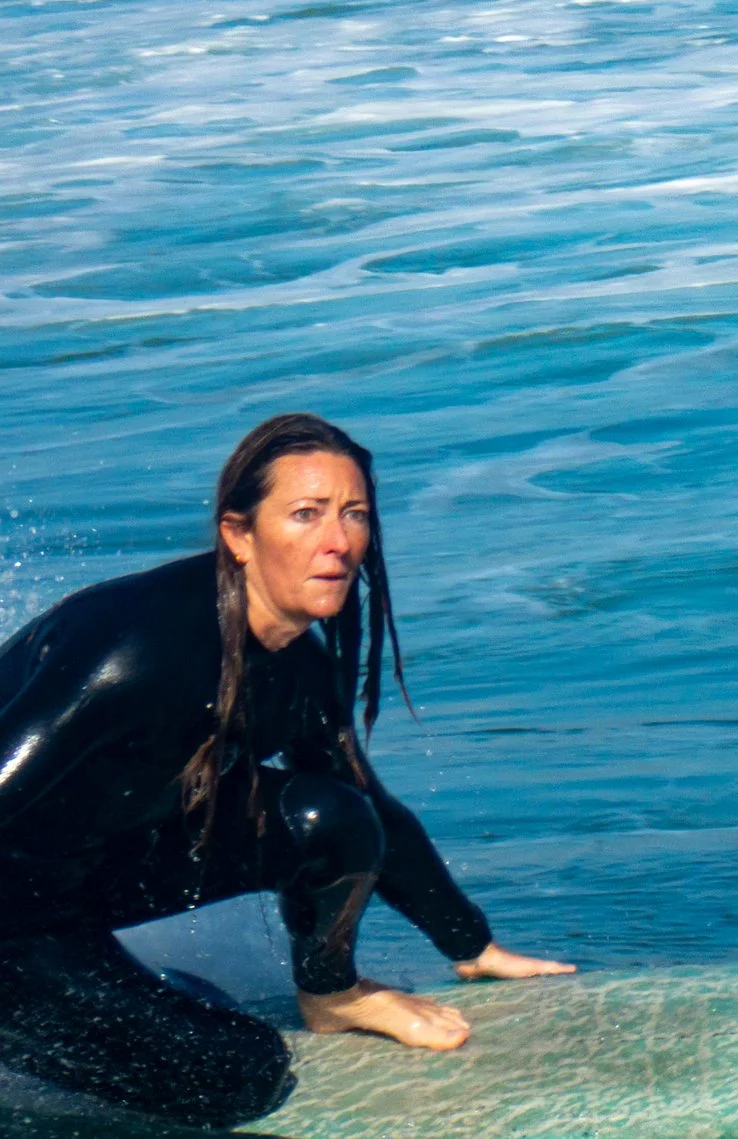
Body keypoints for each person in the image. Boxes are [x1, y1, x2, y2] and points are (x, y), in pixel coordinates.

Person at [0, 415, 573, 1129]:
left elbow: (367, 814)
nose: (338, 541)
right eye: (306, 514)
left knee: (329, 815)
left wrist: (471, 943)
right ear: (239, 535)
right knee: (233, 1076)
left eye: (354, 514)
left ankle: (330, 994)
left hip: (93, 872)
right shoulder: (132, 652)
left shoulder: (296, 666)